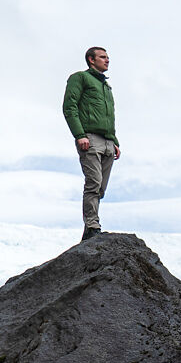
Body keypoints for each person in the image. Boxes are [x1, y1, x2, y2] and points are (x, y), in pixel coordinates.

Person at [62, 46, 120, 241]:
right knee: (93, 182)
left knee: (101, 188)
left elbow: (109, 116)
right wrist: (80, 135)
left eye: (108, 57)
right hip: (90, 138)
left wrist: (115, 141)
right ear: (91, 59)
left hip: (107, 142)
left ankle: (89, 230)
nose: (107, 60)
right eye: (103, 57)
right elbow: (69, 107)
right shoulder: (80, 78)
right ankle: (92, 225)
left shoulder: (106, 87)